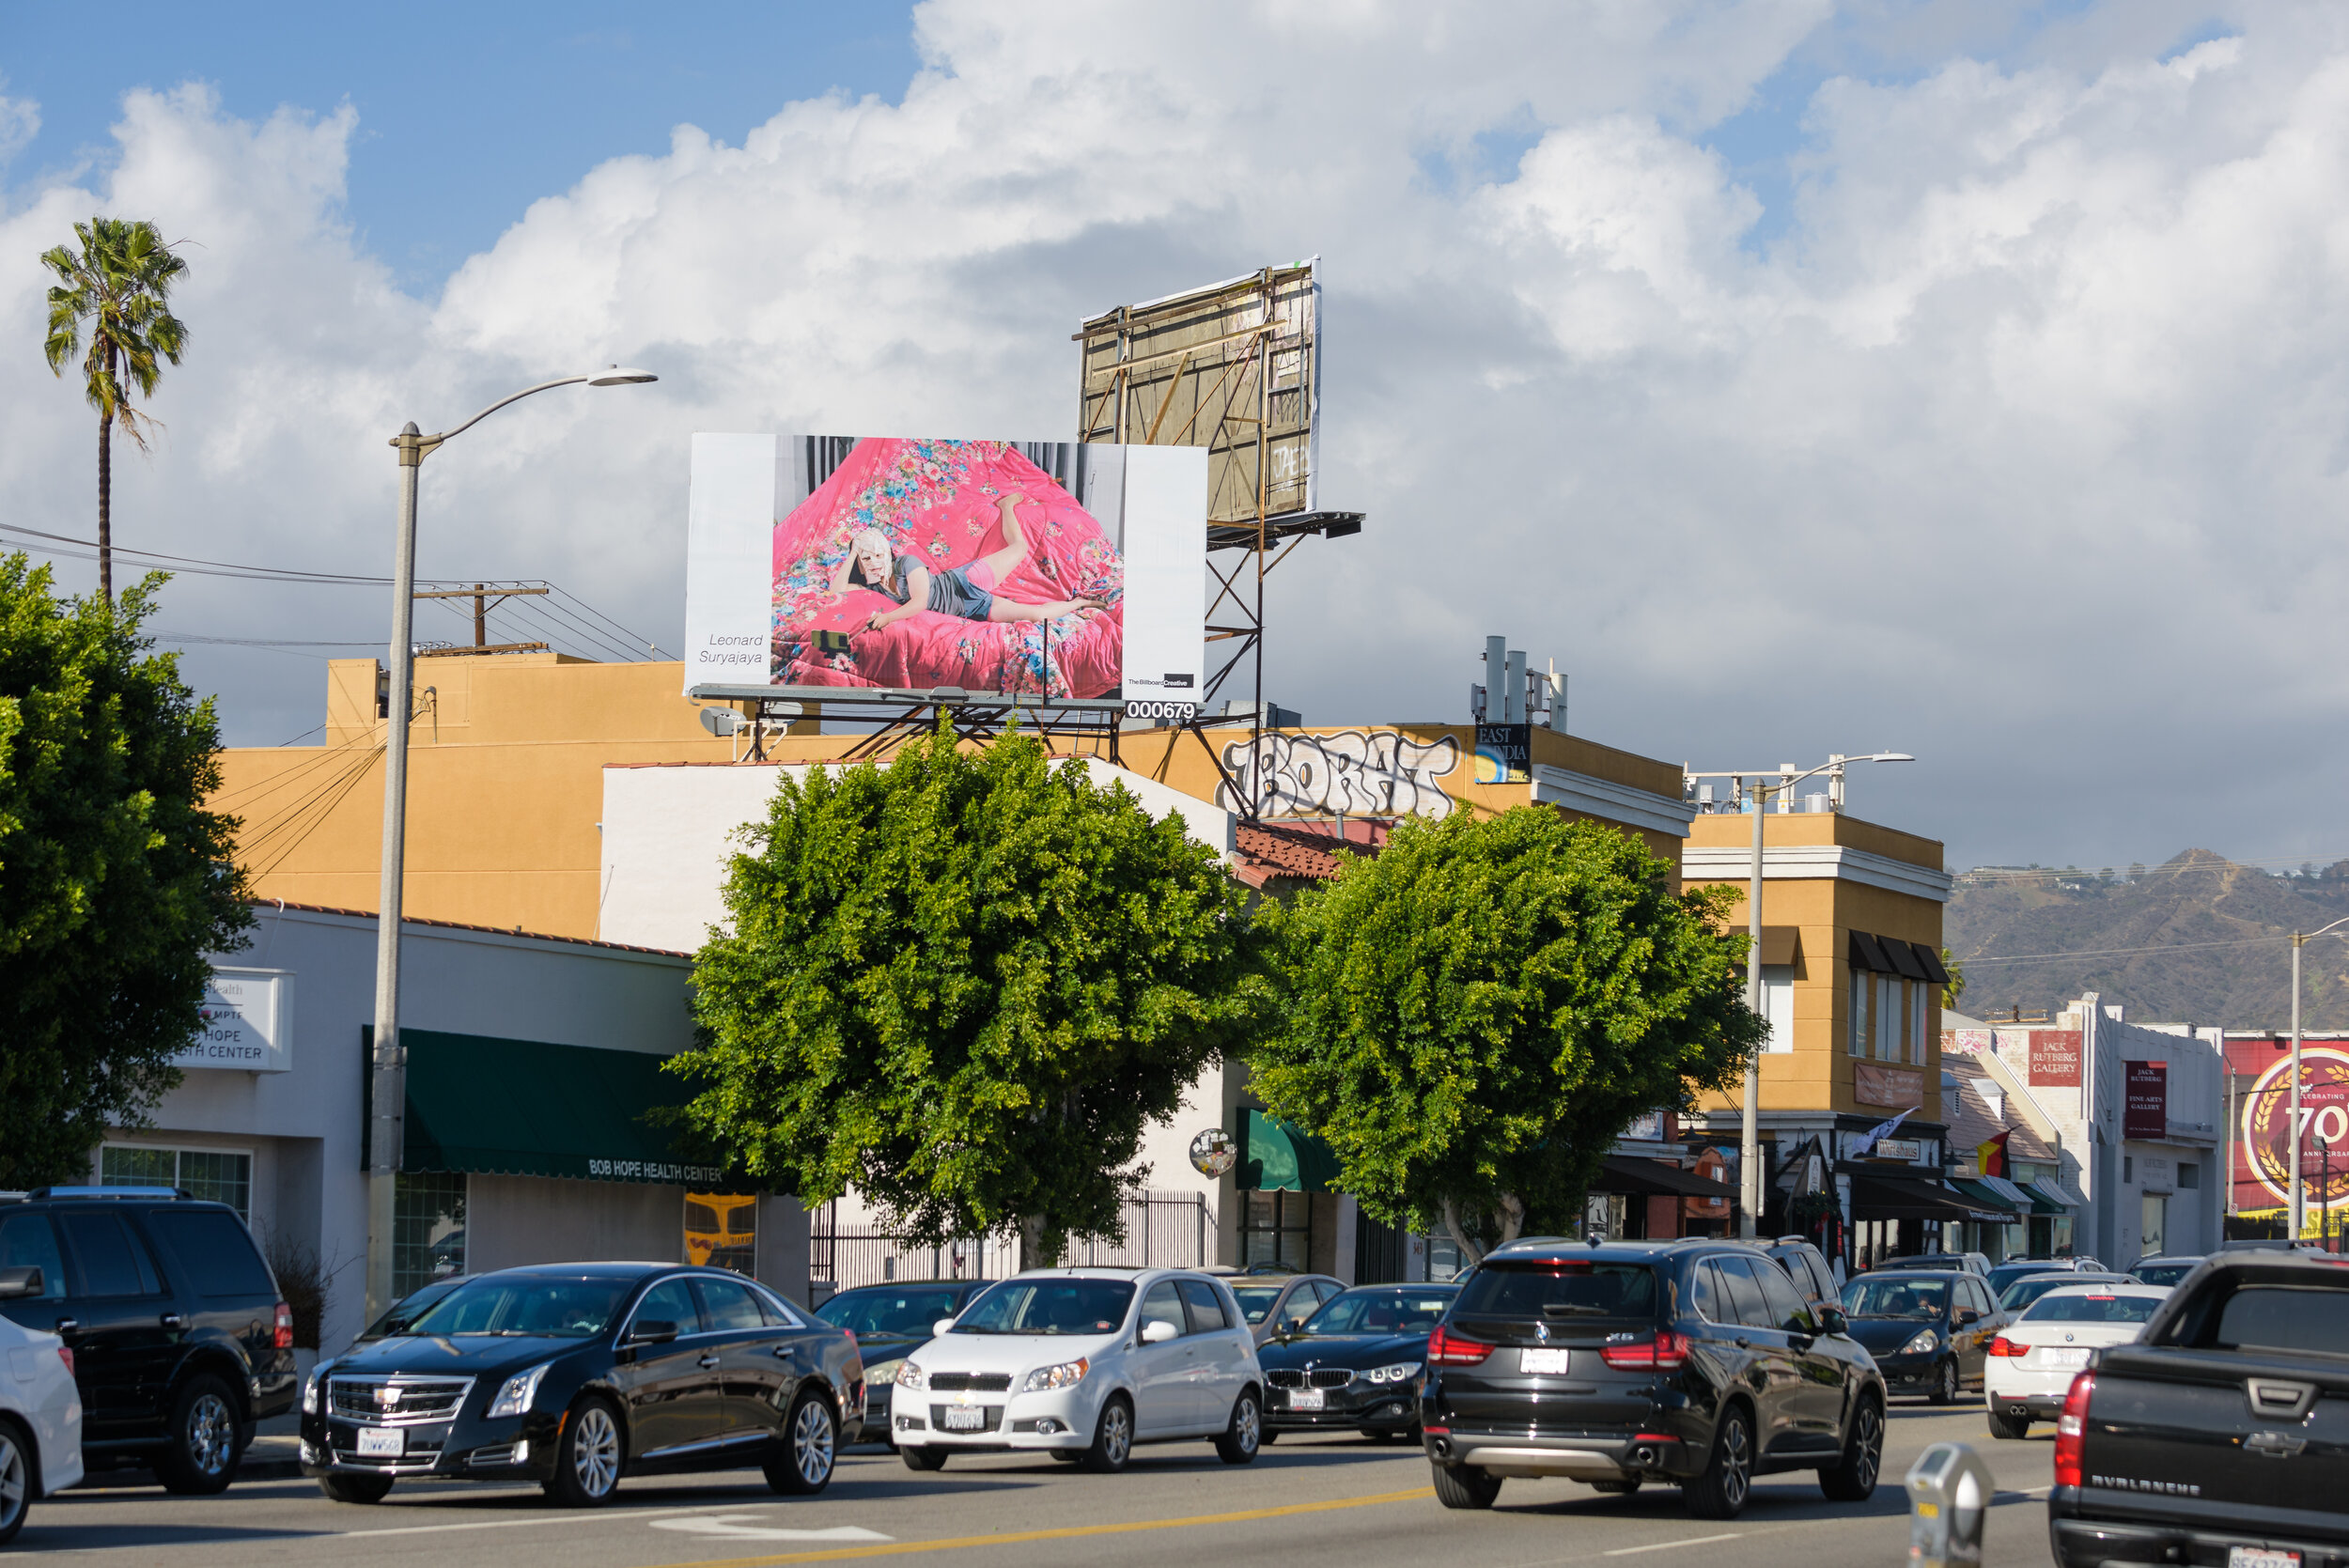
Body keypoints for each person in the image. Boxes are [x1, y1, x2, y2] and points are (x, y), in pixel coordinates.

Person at [830, 492, 1105, 632]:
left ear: (888, 554)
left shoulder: (906, 564)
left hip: (966, 582)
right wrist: (854, 552)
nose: (875, 563)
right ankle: (1078, 604)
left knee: (1019, 547)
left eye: (879, 555)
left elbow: (920, 602)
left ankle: (1006, 506)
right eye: (868, 559)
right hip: (972, 609)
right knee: (1034, 615)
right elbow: (837, 590)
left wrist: (888, 617)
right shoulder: (874, 588)